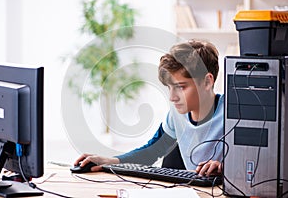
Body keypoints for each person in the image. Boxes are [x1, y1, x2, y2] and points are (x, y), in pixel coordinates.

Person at [74, 39, 223, 176]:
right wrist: (108, 161)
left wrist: (224, 168)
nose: (172, 97)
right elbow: (152, 151)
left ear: (207, 82)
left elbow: (246, 164)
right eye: (169, 88)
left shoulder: (236, 113)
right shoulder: (177, 115)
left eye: (180, 87)